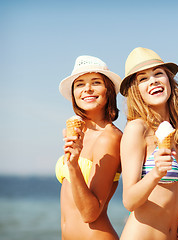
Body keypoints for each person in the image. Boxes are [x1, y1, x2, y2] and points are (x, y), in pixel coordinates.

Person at [119, 47, 178, 240]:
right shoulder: (137, 129)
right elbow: (129, 201)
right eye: (143, 78)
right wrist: (156, 173)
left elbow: (177, 191)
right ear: (136, 90)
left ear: (169, 81)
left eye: (158, 74)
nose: (153, 80)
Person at [55, 55, 122, 240]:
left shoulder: (109, 138)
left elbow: (90, 214)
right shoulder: (76, 132)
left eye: (96, 82)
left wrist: (74, 164)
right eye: (80, 84)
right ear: (74, 94)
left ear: (108, 90)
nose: (88, 89)